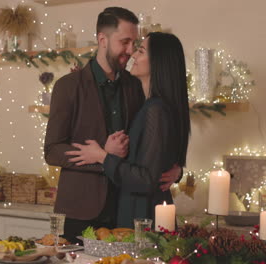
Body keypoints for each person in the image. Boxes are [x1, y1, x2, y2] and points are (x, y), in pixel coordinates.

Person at [44, 7, 182, 243]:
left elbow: (152, 140)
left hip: (124, 210)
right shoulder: (68, 86)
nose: (130, 51)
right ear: (102, 40)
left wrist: (177, 169)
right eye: (125, 42)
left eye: (134, 43)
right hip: (80, 210)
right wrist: (103, 156)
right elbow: (52, 150)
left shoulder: (135, 85)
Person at [65, 32, 191, 229]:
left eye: (140, 51)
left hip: (143, 215)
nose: (133, 55)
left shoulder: (156, 110)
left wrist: (102, 156)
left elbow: (146, 179)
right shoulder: (148, 103)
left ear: (158, 62)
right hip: (138, 209)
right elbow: (154, 164)